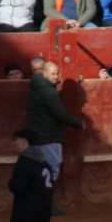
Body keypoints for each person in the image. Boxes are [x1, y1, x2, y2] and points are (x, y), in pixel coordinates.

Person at [28, 59, 82, 189]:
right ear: (44, 74)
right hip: (49, 136)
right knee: (51, 168)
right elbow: (60, 114)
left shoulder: (37, 88)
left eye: (57, 74)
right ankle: (46, 203)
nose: (56, 77)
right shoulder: (49, 92)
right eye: (53, 74)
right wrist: (78, 123)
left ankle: (42, 202)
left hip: (39, 136)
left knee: (43, 169)